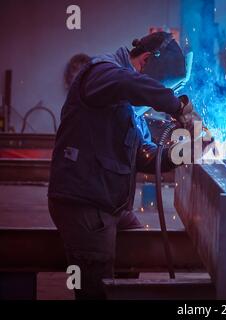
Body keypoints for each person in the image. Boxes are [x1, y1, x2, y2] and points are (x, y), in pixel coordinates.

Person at [47, 32, 195, 299]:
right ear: (145, 61)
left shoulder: (131, 109)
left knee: (137, 249)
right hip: (85, 202)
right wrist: (176, 106)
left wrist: (183, 152)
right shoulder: (102, 71)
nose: (156, 99)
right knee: (97, 289)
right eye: (162, 87)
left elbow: (144, 155)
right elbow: (128, 84)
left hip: (111, 205)